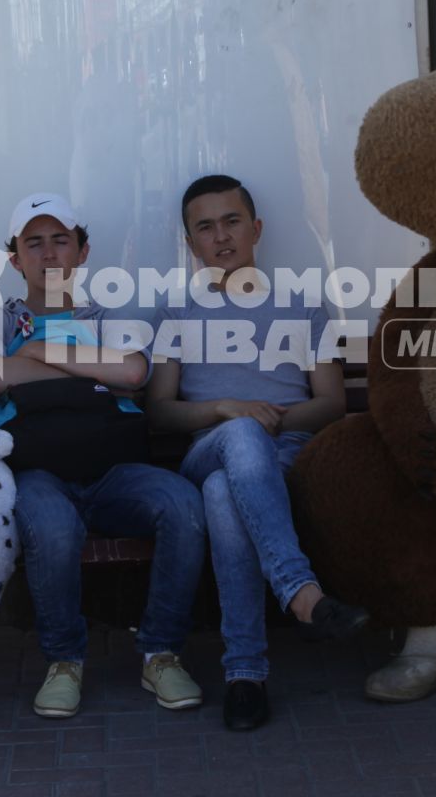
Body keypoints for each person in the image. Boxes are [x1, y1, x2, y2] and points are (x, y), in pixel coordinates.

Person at [0, 194, 208, 722]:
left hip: (115, 472)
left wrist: (36, 352)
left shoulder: (109, 314)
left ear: (82, 251)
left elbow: (132, 374)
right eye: (34, 243)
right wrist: (87, 366)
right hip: (36, 474)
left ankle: (160, 652)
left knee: (183, 505)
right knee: (51, 528)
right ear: (14, 259)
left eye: (60, 240)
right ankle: (65, 661)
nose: (49, 254)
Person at [144, 175, 367, 732]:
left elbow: (333, 402)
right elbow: (160, 411)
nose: (221, 236)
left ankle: (245, 674)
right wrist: (227, 409)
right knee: (234, 447)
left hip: (287, 456)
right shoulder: (176, 312)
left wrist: (271, 418)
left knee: (226, 495)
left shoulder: (302, 306)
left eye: (232, 221)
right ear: (192, 243)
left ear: (256, 229)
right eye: (205, 227)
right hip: (208, 451)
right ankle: (299, 591)